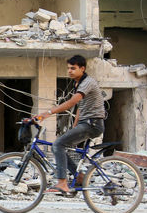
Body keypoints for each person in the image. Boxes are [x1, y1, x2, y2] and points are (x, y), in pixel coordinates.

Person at [34, 55, 105, 193]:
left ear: (82, 69)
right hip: (87, 123)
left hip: (92, 123)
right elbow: (80, 106)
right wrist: (75, 125)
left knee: (58, 144)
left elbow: (72, 102)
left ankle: (62, 183)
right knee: (61, 146)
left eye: (73, 68)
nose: (70, 71)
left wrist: (47, 113)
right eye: (68, 68)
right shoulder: (78, 83)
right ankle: (79, 177)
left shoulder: (88, 82)